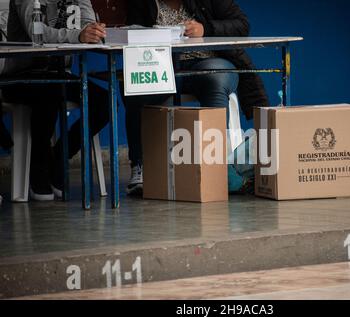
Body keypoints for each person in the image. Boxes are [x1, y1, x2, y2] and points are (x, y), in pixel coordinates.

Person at [124, 0, 269, 195]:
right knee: (134, 84)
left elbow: (242, 25)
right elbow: (132, 36)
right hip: (162, 68)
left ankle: (214, 164)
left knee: (216, 77)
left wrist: (205, 29)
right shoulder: (143, 4)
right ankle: (142, 167)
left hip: (207, 61)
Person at [2, 0, 109, 201]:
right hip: (20, 77)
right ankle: (38, 164)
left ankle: (59, 156)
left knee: (103, 101)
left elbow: (88, 24)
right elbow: (37, 33)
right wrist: (78, 35)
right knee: (50, 91)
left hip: (59, 73)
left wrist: (94, 31)